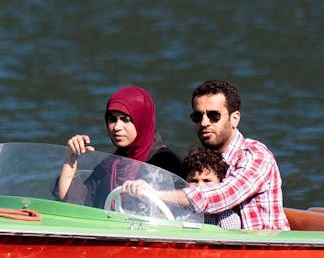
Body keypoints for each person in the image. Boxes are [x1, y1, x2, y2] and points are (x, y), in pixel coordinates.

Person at [121, 79, 289, 231]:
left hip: (266, 251)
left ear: (235, 119)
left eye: (214, 116)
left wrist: (157, 194)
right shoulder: (202, 161)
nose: (204, 123)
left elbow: (224, 195)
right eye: (197, 116)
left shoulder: (255, 155)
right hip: (221, 250)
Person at [55, 85, 183, 205]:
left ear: (142, 120)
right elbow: (76, 203)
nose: (117, 127)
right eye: (112, 119)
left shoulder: (164, 161)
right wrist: (71, 157)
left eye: (125, 120)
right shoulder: (110, 165)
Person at [182, 147, 238, 228]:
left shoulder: (226, 217)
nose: (200, 186)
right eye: (193, 181)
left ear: (221, 182)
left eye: (207, 180)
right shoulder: (182, 212)